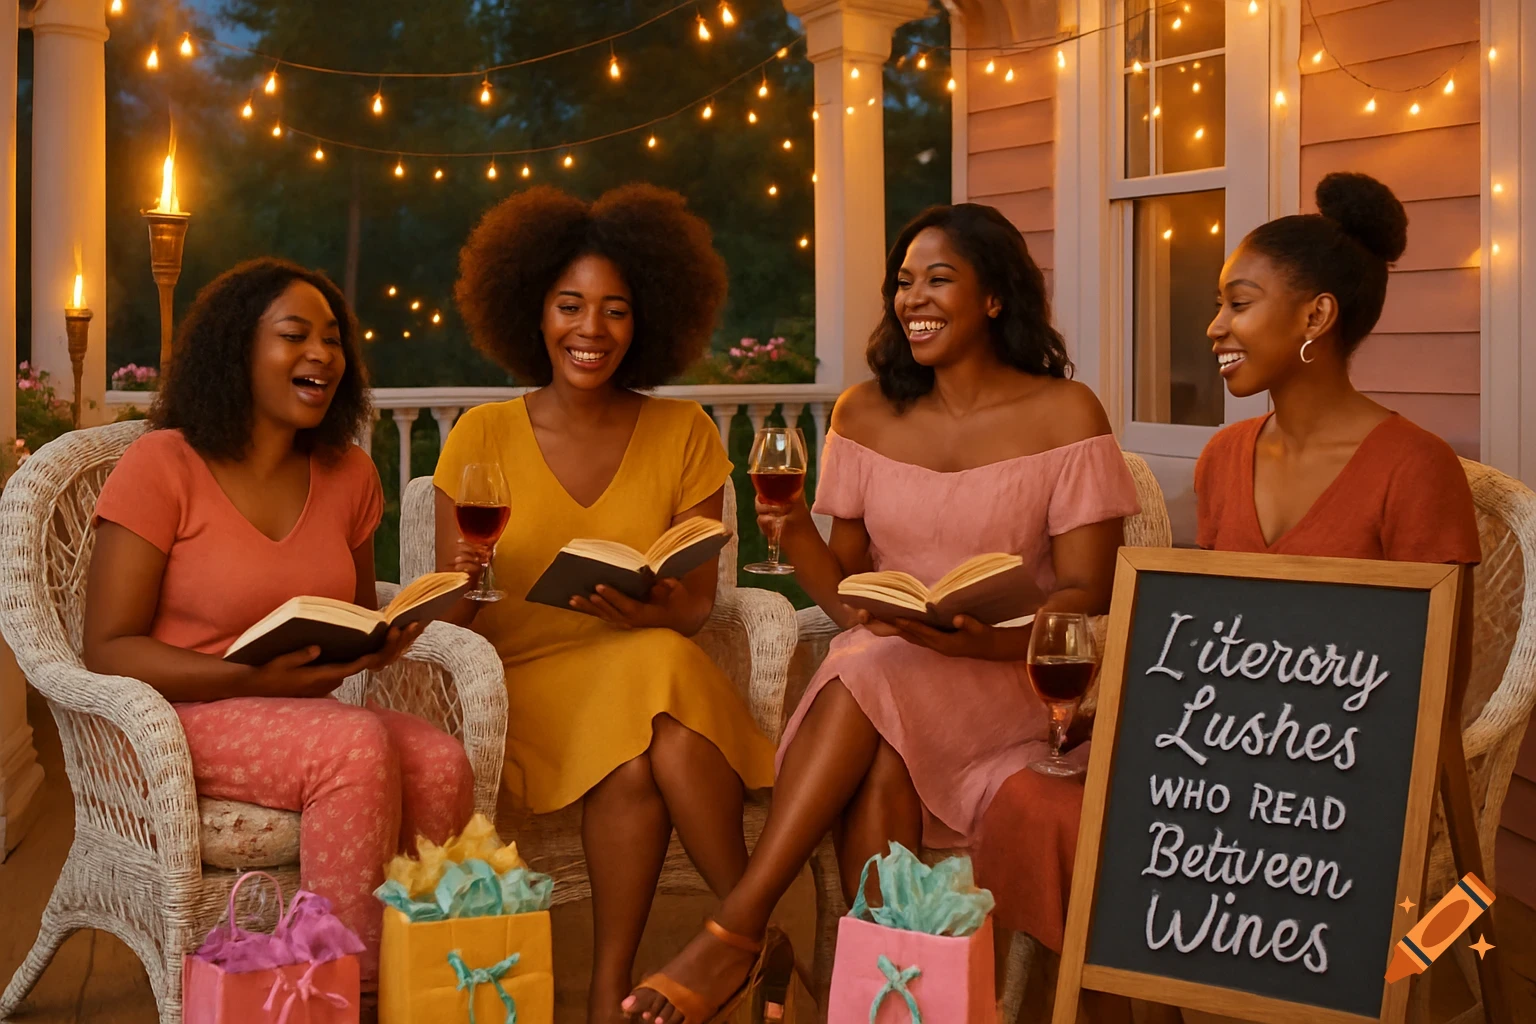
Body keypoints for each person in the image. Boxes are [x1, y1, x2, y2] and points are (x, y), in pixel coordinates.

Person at [970, 172, 1479, 1024]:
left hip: (1339, 778)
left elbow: (1440, 683)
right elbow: (1212, 639)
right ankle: (1141, 1008)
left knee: (1102, 823)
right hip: (1214, 759)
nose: (1214, 327)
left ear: (1316, 318)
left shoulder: (1414, 466)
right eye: (1218, 305)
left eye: (1239, 304)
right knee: (1035, 795)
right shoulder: (1224, 455)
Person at [626, 203, 1141, 1022]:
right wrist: (795, 536)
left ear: (996, 298)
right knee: (877, 730)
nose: (914, 299)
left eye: (939, 279)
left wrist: (983, 639)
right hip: (892, 671)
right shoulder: (863, 413)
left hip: (1005, 677)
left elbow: (1089, 592)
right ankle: (890, 1000)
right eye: (904, 282)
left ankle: (738, 927)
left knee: (870, 671)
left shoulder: (1066, 414)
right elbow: (850, 600)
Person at [83, 258, 476, 998]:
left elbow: (356, 611)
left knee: (443, 763)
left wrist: (383, 635)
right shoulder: (162, 463)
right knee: (354, 743)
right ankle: (338, 1000)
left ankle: (419, 994)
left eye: (333, 339)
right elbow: (106, 648)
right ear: (238, 351)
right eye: (295, 334)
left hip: (296, 713)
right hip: (177, 716)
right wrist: (248, 679)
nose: (323, 354)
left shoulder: (349, 473)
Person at [433, 184, 776, 1024]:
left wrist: (654, 608)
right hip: (527, 683)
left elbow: (697, 606)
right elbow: (446, 630)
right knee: (657, 678)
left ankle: (604, 991)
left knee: (638, 737)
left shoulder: (687, 432)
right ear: (532, 312)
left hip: (641, 671)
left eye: (616, 310)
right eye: (570, 306)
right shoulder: (480, 435)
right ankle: (753, 932)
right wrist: (468, 574)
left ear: (648, 319)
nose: (592, 330)